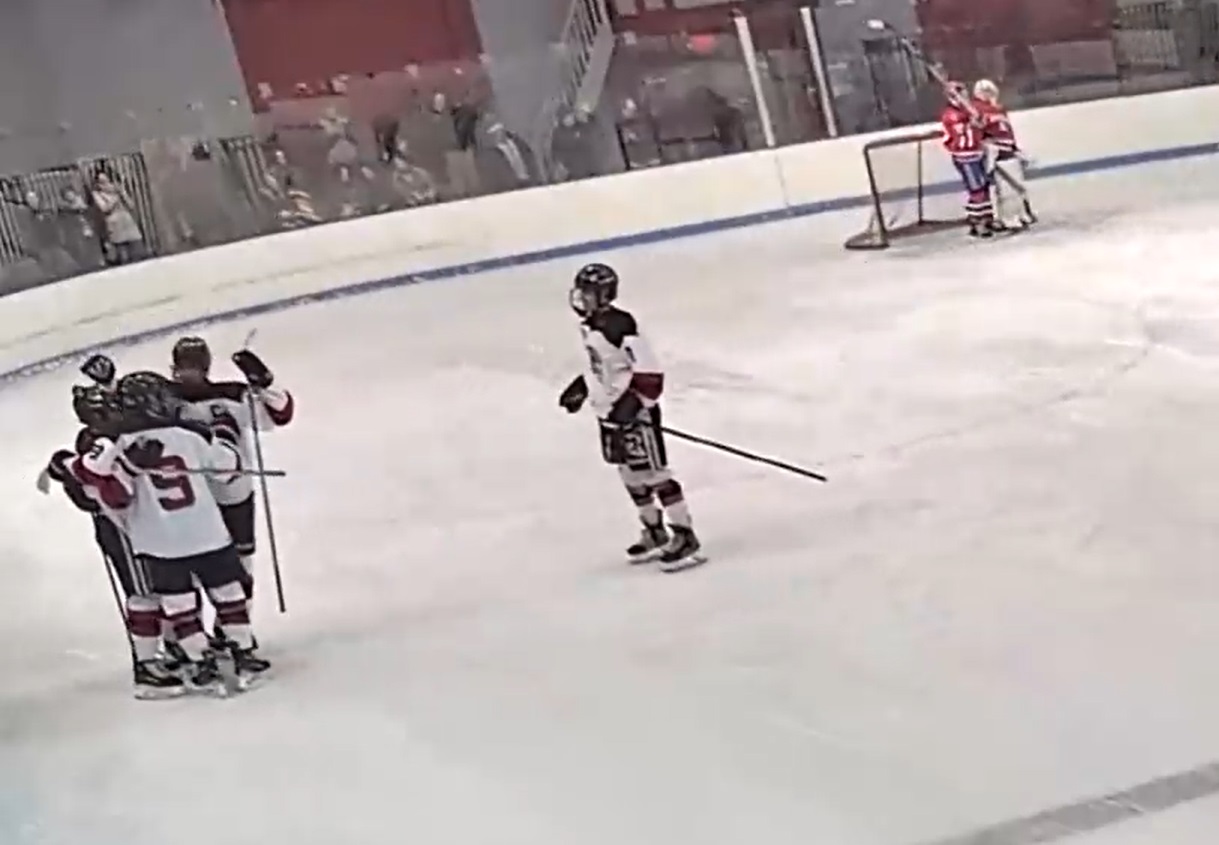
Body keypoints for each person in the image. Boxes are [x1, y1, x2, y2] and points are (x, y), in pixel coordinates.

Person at [70, 371, 269, 695]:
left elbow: (90, 475)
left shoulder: (118, 444)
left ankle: (200, 661)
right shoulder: (189, 434)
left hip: (158, 543)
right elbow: (230, 469)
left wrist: (128, 464)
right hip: (206, 532)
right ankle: (243, 653)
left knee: (179, 605)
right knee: (229, 594)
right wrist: (222, 434)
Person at [557, 263, 705, 573]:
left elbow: (649, 374)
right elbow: (607, 365)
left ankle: (684, 534)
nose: (581, 298)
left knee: (654, 473)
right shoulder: (591, 324)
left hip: (634, 413)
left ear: (603, 295)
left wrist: (633, 405)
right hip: (609, 412)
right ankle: (654, 530)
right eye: (580, 291)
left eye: (588, 293)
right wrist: (583, 387)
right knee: (629, 475)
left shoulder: (620, 325)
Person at [45, 385, 182, 699]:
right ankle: (148, 667)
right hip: (121, 529)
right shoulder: (93, 444)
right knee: (143, 594)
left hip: (138, 524)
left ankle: (173, 649)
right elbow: (88, 495)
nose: (117, 412)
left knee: (160, 589)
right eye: (108, 408)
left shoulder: (104, 438)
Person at [168, 336, 294, 625]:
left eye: (193, 366)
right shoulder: (163, 399)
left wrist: (265, 384)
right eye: (182, 366)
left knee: (239, 565)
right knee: (192, 572)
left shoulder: (233, 395)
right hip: (191, 498)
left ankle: (234, 632)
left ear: (206, 367)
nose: (186, 373)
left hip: (234, 493)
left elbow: (281, 415)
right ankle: (195, 637)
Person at [973, 78, 1035, 230]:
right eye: (985, 92)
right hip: (996, 152)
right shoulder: (976, 109)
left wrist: (1015, 147)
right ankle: (1007, 218)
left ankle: (1021, 214)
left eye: (990, 91)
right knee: (1005, 188)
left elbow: (1008, 131)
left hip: (1008, 150)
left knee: (1018, 186)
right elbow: (978, 128)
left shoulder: (998, 108)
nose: (989, 94)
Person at [940, 82, 996, 238]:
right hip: (964, 157)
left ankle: (986, 218)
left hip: (978, 153)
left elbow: (982, 123)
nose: (965, 94)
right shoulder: (950, 114)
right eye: (961, 92)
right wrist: (971, 119)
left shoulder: (971, 108)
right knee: (976, 189)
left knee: (984, 186)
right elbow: (960, 127)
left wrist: (976, 117)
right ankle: (976, 222)